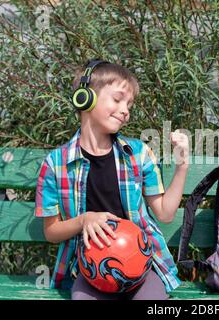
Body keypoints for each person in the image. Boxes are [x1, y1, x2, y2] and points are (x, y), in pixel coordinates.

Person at [34, 59, 189, 300]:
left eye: (129, 104)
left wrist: (182, 166)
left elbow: (165, 214)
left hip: (140, 266)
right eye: (117, 100)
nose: (126, 110)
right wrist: (84, 220)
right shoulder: (56, 165)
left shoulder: (138, 154)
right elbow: (51, 232)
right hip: (90, 271)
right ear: (85, 98)